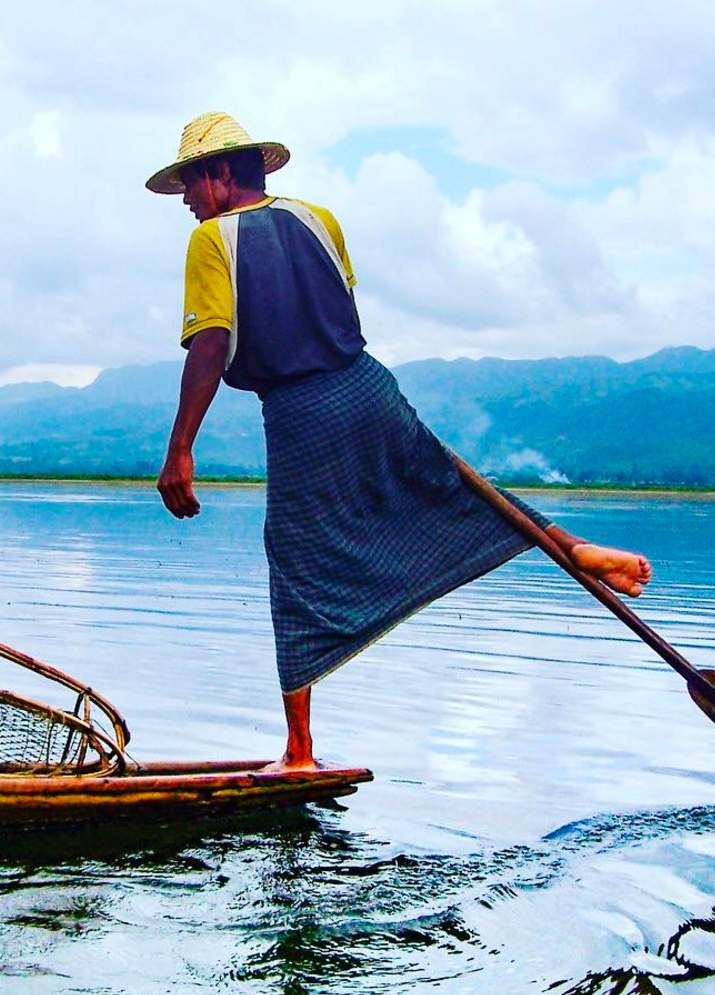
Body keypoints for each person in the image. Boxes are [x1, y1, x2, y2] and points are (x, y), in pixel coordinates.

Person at [146, 112, 651, 772]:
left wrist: (181, 446)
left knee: (296, 559)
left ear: (218, 175)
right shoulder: (318, 218)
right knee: (452, 484)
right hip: (367, 384)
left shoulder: (214, 239)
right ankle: (577, 550)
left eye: (189, 182)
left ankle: (299, 751)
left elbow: (212, 339)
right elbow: (342, 309)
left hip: (302, 408)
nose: (186, 198)